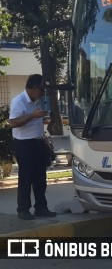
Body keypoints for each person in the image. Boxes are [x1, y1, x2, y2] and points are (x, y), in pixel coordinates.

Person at [8, 74, 56, 220]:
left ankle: (41, 207)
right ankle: (23, 209)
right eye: (41, 90)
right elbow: (12, 123)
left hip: (38, 142)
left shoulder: (38, 101)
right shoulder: (19, 101)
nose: (42, 93)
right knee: (26, 178)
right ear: (34, 88)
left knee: (40, 178)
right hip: (24, 144)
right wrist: (32, 116)